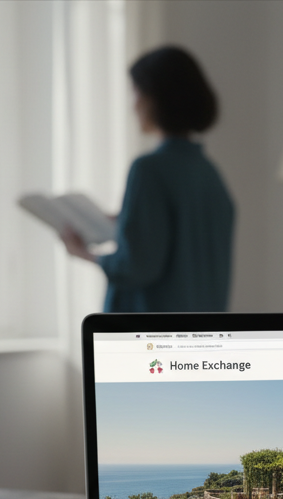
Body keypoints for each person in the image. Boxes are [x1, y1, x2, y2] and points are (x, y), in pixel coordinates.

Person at [61, 46, 235, 312]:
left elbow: (136, 266)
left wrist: (83, 253)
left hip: (150, 340)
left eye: (136, 92)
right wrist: (127, 221)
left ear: (154, 98)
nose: (134, 104)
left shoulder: (149, 169)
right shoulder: (209, 173)